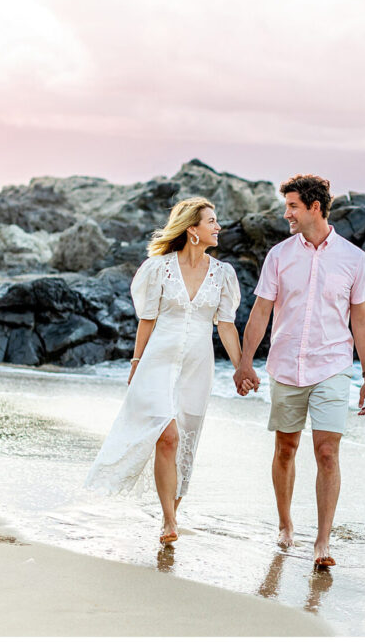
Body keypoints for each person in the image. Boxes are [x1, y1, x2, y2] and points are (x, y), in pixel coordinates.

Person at [234, 174, 365, 568]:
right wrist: (245, 362)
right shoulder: (279, 256)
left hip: (332, 365)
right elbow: (261, 310)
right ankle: (285, 524)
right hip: (286, 366)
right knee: (286, 448)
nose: (287, 214)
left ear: (315, 207)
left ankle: (323, 543)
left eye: (293, 206)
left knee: (327, 451)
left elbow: (361, 320)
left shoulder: (353, 259)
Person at [85, 197, 246, 545]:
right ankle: (169, 521)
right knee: (167, 435)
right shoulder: (159, 268)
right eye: (212, 221)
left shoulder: (223, 274)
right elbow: (148, 320)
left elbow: (227, 326)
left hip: (197, 367)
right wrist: (136, 362)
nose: (218, 228)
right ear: (192, 230)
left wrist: (241, 366)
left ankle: (170, 512)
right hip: (158, 362)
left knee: (186, 438)